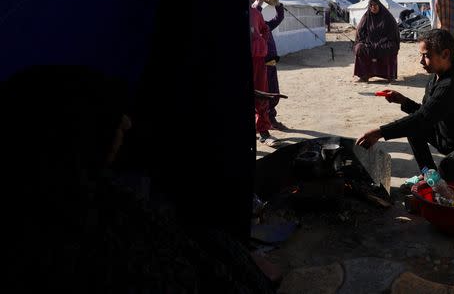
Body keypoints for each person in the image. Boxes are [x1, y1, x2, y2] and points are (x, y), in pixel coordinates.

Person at [3, 66, 279, 292]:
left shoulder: (97, 192)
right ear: (72, 135)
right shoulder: (74, 245)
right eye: (107, 116)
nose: (125, 123)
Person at [357, 29, 454, 182]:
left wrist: (379, 133)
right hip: (448, 142)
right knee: (414, 130)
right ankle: (429, 175)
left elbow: (422, 118)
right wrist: (403, 101)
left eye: (426, 56)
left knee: (448, 167)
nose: (421, 61)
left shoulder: (450, 85)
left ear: (445, 54)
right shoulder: (435, 79)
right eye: (421, 55)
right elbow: (427, 114)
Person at [250, 0, 279, 143]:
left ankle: (264, 131)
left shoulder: (255, 13)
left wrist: (260, 43)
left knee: (262, 94)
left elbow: (264, 29)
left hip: (258, 60)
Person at [353, 0, 400, 82]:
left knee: (391, 47)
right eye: (371, 5)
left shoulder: (387, 17)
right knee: (359, 48)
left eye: (375, 5)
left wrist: (383, 41)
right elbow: (360, 31)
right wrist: (366, 41)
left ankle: (390, 76)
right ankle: (364, 76)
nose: (373, 7)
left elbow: (394, 32)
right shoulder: (367, 17)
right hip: (369, 43)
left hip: (385, 42)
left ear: (379, 5)